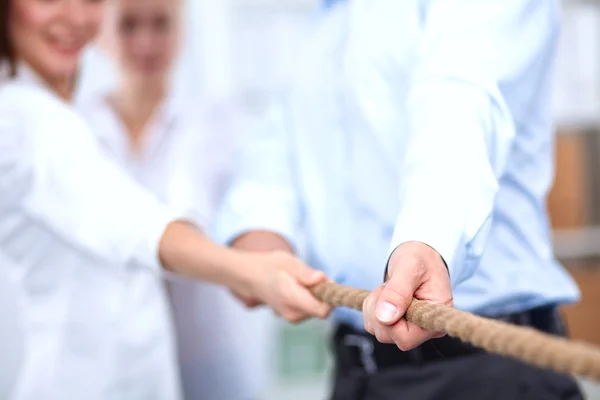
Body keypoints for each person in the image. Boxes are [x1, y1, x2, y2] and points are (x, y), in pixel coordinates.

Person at [216, 0, 585, 399]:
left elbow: (457, 102)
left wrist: (427, 241)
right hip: (358, 369)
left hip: (488, 370)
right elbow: (279, 144)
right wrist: (258, 237)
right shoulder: (323, 22)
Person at [0, 0, 331, 399]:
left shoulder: (64, 111)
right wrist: (249, 271)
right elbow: (130, 221)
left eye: (89, 0)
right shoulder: (23, 116)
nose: (75, 16)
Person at [78, 0, 277, 398]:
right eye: (129, 26)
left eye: (161, 25)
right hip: (108, 357)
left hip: (204, 350)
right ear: (101, 33)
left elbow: (189, 201)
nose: (147, 43)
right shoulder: (78, 129)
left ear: (181, 33)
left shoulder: (211, 121)